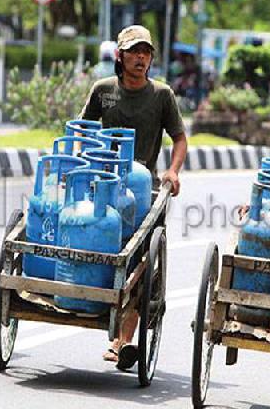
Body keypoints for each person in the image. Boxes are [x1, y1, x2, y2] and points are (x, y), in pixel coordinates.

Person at [79, 24, 188, 370]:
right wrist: (80, 160)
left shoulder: (161, 96)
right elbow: (83, 130)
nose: (141, 58)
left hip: (142, 190)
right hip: (101, 182)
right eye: (134, 52)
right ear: (120, 56)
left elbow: (179, 138)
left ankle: (122, 341)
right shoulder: (103, 90)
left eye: (146, 52)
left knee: (141, 262)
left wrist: (172, 171)